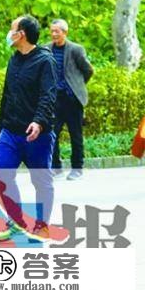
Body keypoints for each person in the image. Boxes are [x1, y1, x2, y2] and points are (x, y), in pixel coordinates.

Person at [0, 15, 57, 243]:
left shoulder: (45, 61)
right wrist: (0, 127)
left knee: (41, 180)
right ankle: (16, 222)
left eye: (12, 29)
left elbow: (48, 95)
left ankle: (42, 226)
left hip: (37, 134)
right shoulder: (14, 60)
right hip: (11, 131)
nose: (9, 33)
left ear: (22, 34)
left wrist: (38, 121)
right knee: (2, 173)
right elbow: (7, 95)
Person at [44, 19, 94, 180]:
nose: (53, 34)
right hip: (54, 100)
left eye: (57, 31)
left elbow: (88, 70)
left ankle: (77, 168)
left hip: (72, 100)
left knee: (76, 134)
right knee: (52, 134)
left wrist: (77, 85)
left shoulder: (76, 50)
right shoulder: (45, 49)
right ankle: (56, 168)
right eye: (52, 31)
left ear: (65, 33)